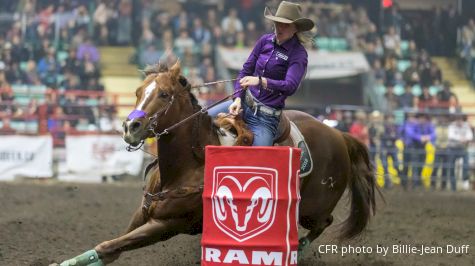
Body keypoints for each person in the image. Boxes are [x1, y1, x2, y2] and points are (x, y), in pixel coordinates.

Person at [209, 1, 315, 146]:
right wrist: (238, 99)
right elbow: (246, 70)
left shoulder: (298, 54)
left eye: (286, 25)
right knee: (202, 119)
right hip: (244, 104)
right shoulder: (265, 40)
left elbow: (290, 86)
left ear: (295, 28)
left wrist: (261, 80)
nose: (280, 27)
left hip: (266, 119)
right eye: (278, 23)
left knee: (257, 160)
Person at [447, 113, 473, 191]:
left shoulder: (466, 125)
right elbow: (451, 136)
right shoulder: (451, 126)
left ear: (462, 119)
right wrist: (461, 139)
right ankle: (453, 187)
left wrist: (465, 139)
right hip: (452, 149)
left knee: (466, 164)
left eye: (460, 118)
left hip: (462, 149)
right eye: (458, 118)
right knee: (451, 168)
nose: (459, 120)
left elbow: (470, 135)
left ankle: (465, 180)